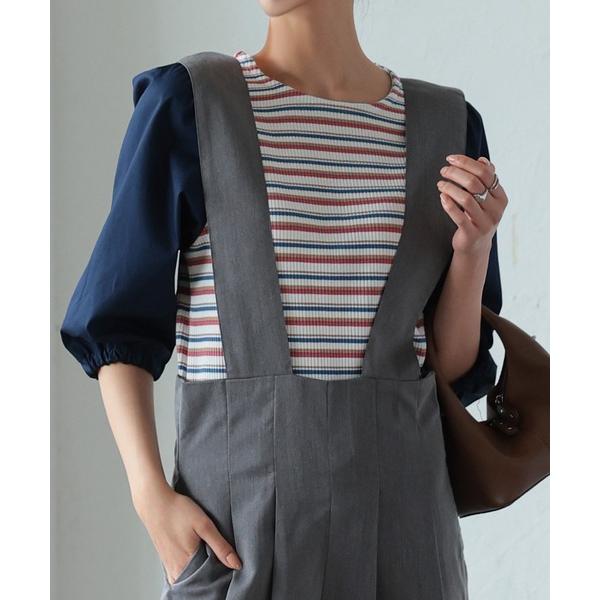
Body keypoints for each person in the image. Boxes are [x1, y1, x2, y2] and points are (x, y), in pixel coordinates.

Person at [60, 1, 506, 597]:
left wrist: (474, 249)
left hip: (408, 531)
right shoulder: (193, 103)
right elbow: (118, 320)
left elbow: (450, 372)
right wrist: (150, 496)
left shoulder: (446, 126)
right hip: (236, 530)